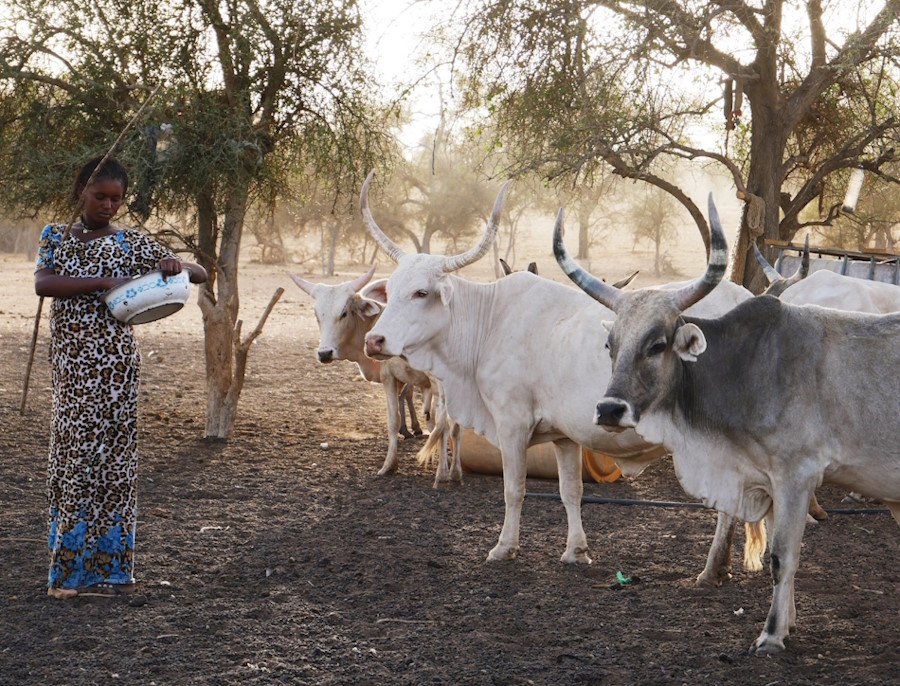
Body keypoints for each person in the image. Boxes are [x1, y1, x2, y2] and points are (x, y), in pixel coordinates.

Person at [34, 156, 208, 599]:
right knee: (76, 459)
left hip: (117, 369)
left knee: (114, 460)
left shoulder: (130, 242)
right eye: (100, 196)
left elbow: (200, 273)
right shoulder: (56, 236)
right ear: (81, 191)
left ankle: (110, 571)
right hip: (74, 369)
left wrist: (174, 265)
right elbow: (44, 284)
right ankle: (67, 577)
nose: (108, 206)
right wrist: (102, 281)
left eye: (116, 198)